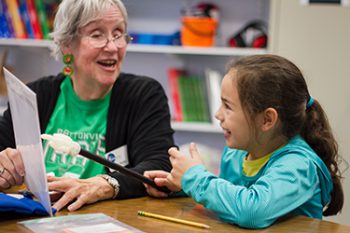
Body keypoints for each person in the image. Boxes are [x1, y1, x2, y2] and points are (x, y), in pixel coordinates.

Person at [0, 0, 174, 212]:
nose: (112, 46)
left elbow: (158, 166)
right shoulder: (38, 94)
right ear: (67, 44)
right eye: (97, 34)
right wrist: (4, 165)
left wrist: (104, 185)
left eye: (118, 33)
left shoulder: (143, 94)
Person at [144, 54, 344, 229]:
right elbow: (228, 201)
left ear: (267, 120)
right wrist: (181, 186)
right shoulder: (236, 154)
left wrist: (194, 178)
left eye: (227, 107)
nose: (217, 114)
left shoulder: (299, 166)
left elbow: (251, 212)